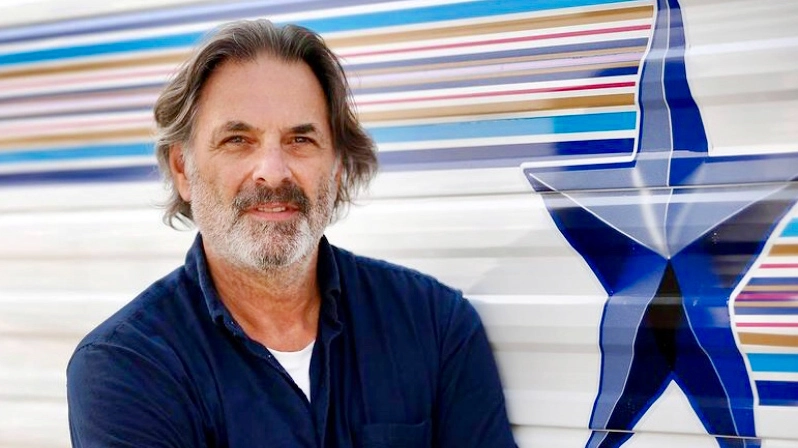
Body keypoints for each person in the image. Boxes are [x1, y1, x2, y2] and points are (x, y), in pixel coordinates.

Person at [66, 19, 516, 448]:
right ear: (183, 169)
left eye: (300, 140)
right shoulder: (127, 367)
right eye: (237, 140)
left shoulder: (433, 325)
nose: (273, 171)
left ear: (336, 167)